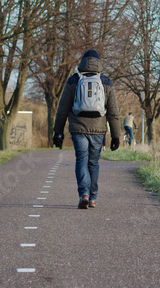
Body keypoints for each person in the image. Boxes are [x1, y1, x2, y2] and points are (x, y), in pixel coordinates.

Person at [52, 49, 122, 209]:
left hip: (78, 128)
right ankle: (92, 198)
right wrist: (116, 136)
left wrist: (58, 131)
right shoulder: (106, 82)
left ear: (82, 62)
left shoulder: (73, 80)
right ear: (99, 63)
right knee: (93, 162)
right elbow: (113, 112)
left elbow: (62, 109)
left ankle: (83, 193)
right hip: (98, 129)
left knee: (81, 160)